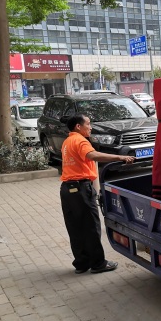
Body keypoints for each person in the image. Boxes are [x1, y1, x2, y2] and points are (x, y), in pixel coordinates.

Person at [60, 113, 135, 274]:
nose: (91, 126)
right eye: (88, 123)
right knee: (91, 227)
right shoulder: (80, 140)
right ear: (78, 127)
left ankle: (81, 263)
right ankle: (98, 263)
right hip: (80, 190)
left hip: (67, 190)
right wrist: (119, 157)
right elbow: (92, 155)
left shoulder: (67, 141)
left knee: (75, 227)